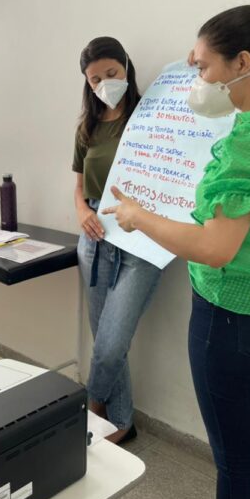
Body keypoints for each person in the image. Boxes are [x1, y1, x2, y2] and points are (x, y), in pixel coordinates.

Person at [104, 6, 250, 499]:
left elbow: (215, 248)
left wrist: (138, 216)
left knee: (235, 465)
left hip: (236, 318)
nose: (195, 78)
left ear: (243, 61)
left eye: (201, 66)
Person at [72, 37, 162, 443]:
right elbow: (78, 187)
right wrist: (83, 212)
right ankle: (122, 422)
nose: (105, 83)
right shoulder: (87, 126)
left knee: (109, 345)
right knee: (106, 338)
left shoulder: (152, 116)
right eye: (95, 79)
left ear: (126, 67)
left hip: (141, 239)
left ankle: (89, 409)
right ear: (87, 84)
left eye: (112, 73)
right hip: (94, 236)